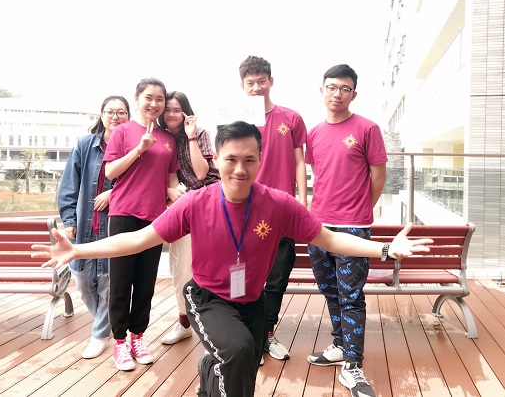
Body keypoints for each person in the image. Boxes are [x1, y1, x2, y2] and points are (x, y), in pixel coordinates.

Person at [33, 121, 431, 397]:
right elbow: (139, 239)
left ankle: (209, 373)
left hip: (252, 302)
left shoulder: (278, 204)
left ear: (260, 160)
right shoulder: (195, 202)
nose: (240, 169)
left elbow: (330, 238)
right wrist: (78, 250)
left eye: (249, 160)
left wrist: (384, 249)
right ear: (218, 159)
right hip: (207, 299)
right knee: (238, 353)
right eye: (231, 159)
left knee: (243, 367)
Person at [305, 64, 388, 397]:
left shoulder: (368, 128)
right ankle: (340, 346)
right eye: (331, 87)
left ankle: (353, 366)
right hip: (318, 226)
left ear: (354, 94)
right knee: (330, 290)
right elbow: (318, 173)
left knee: (351, 296)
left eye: (344, 88)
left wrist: (362, 209)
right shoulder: (314, 133)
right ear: (321, 90)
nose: (337, 94)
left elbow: (378, 174)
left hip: (353, 225)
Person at [103, 78, 182, 371]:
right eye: (149, 97)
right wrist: (139, 149)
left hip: (155, 216)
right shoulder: (122, 131)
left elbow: (170, 179)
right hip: (124, 212)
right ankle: (119, 342)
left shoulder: (168, 138)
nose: (154, 103)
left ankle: (138, 336)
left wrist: (177, 193)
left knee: (146, 282)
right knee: (121, 280)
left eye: (160, 99)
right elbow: (111, 172)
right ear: (137, 99)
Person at [239, 55, 307, 362]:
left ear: (271, 82)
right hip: (244, 210)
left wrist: (302, 202)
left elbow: (299, 162)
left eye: (261, 81)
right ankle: (245, 335)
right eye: (250, 83)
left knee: (277, 277)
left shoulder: (291, 118)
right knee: (242, 276)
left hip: (282, 210)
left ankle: (266, 333)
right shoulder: (237, 121)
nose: (256, 88)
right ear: (242, 86)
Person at [57, 95, 131, 359]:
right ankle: (107, 321)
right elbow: (69, 184)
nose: (115, 117)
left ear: (128, 117)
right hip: (85, 225)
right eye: (110, 112)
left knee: (107, 283)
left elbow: (138, 184)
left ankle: (99, 335)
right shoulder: (86, 145)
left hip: (114, 226)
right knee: (83, 281)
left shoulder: (133, 148)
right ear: (102, 115)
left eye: (121, 112)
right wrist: (69, 220)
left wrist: (113, 193)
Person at [158, 91, 220, 345]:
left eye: (177, 110)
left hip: (211, 203)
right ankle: (184, 322)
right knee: (181, 266)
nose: (172, 114)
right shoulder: (161, 138)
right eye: (168, 110)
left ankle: (216, 326)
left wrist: (191, 135)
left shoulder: (199, 133)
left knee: (214, 266)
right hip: (181, 206)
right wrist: (170, 192)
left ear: (186, 112)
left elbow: (202, 172)